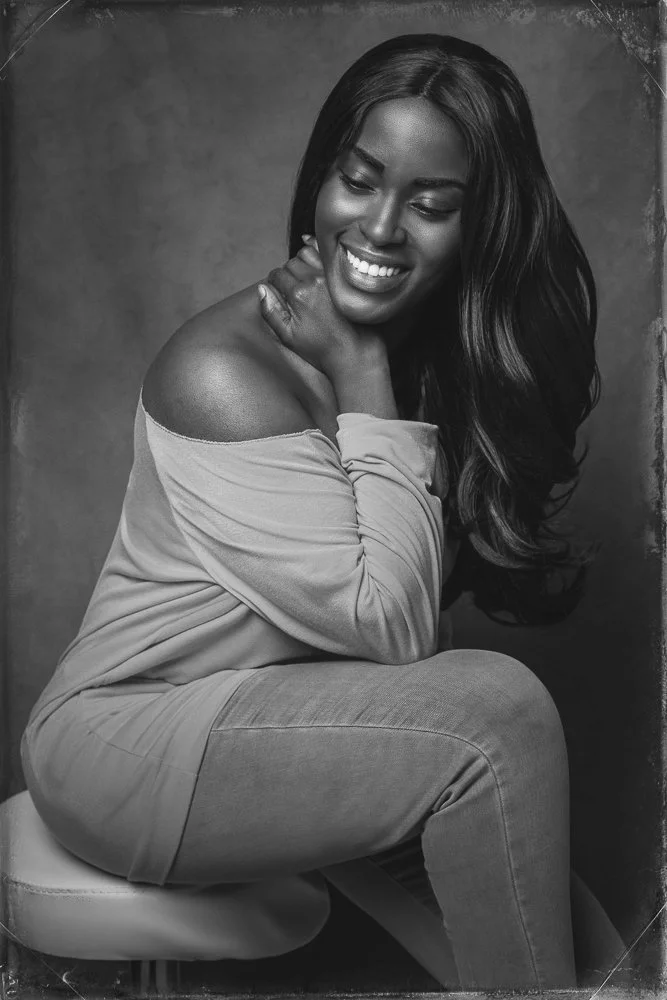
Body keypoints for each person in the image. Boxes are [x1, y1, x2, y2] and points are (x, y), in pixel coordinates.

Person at [21, 33, 614, 990]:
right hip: (132, 741)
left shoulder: (437, 352)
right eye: (359, 180)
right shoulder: (224, 372)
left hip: (294, 718)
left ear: (480, 231)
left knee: (594, 967)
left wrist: (371, 371)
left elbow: (385, 638)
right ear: (320, 182)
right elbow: (392, 634)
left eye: (429, 206)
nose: (378, 227)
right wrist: (360, 375)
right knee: (495, 715)